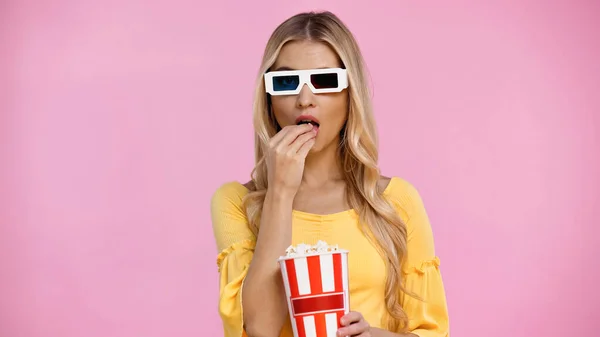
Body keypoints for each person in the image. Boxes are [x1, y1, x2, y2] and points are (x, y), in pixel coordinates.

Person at [210, 10, 449, 337]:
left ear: (352, 95)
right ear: (268, 98)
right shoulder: (236, 203)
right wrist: (280, 193)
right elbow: (260, 329)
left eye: (324, 80)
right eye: (285, 82)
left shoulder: (396, 201)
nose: (304, 99)